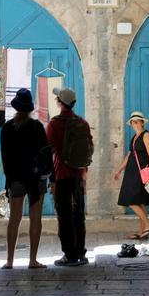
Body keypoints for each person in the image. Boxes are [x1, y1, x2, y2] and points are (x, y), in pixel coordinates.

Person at [0, 88, 50, 269]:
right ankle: (32, 260)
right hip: (36, 179)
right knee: (36, 218)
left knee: (14, 218)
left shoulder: (7, 128)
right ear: (29, 109)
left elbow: (5, 157)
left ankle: (10, 260)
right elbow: (46, 152)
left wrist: (9, 180)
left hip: (16, 178)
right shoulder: (37, 127)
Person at [46, 87, 93, 267]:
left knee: (64, 215)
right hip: (79, 175)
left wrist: (51, 180)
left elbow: (48, 151)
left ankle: (69, 254)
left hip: (62, 174)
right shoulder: (83, 122)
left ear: (60, 102)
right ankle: (81, 252)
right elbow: (90, 148)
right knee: (78, 214)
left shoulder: (54, 124)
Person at [113, 111, 149, 240]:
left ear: (142, 122)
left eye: (137, 121)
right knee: (139, 202)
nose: (134, 123)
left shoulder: (146, 136)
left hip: (141, 173)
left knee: (131, 199)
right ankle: (142, 232)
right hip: (133, 172)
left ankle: (147, 225)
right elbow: (130, 155)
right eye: (132, 122)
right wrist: (119, 169)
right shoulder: (134, 137)